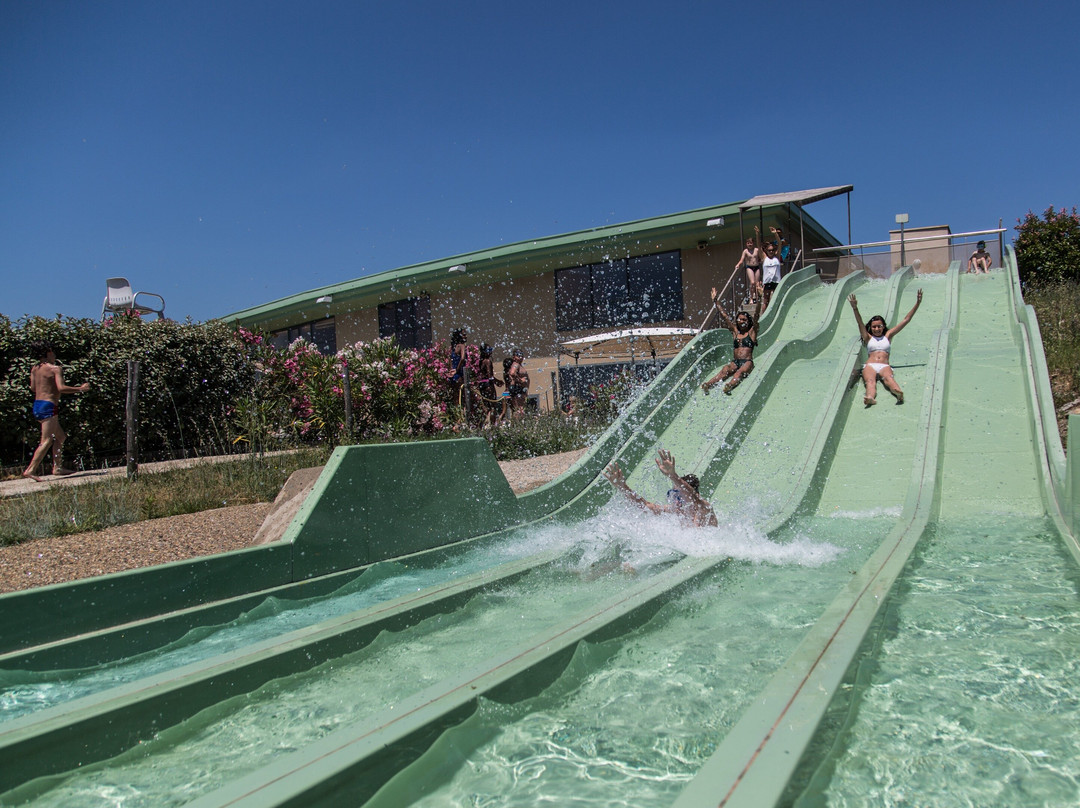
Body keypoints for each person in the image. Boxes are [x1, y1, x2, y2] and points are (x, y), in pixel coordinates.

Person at [22, 341, 90, 481]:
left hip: (37, 405)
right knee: (46, 440)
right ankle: (31, 470)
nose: (55, 355)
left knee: (60, 437)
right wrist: (80, 388)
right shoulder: (55, 369)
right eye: (53, 352)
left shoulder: (35, 368)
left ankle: (57, 467)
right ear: (48, 353)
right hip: (49, 406)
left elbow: (33, 388)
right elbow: (61, 388)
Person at [603, 449, 718, 528]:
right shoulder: (677, 511)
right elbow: (646, 506)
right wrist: (623, 487)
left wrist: (673, 476)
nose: (676, 500)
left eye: (679, 495)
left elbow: (693, 497)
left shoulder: (704, 508)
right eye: (673, 494)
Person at [849, 289, 923, 406]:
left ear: (883, 327)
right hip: (870, 365)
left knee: (889, 379)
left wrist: (917, 303)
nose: (877, 329)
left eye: (879, 326)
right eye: (874, 327)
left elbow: (906, 320)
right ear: (871, 328)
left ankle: (898, 393)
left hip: (884, 365)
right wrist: (855, 308)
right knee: (870, 382)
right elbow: (860, 323)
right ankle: (870, 397)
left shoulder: (888, 336)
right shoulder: (868, 337)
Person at [702, 288, 762, 395]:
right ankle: (708, 384)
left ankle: (730, 385)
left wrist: (760, 298)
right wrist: (716, 301)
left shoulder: (752, 332)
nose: (741, 321)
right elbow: (725, 316)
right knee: (725, 369)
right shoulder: (735, 332)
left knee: (740, 372)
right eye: (739, 319)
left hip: (747, 362)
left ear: (748, 321)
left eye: (744, 319)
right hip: (736, 361)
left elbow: (756, 316)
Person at [475, 343, 503, 428]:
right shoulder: (488, 361)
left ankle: (480, 425)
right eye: (488, 350)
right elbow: (490, 376)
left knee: (486, 408)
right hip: (488, 386)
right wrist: (498, 382)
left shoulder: (480, 361)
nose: (490, 352)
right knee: (493, 407)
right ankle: (493, 427)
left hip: (482, 386)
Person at [736, 228, 764, 303]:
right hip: (749, 267)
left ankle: (758, 298)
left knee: (757, 283)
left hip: (757, 267)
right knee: (752, 282)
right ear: (746, 244)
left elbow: (761, 257)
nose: (750, 244)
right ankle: (751, 297)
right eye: (748, 243)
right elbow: (742, 259)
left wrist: (761, 260)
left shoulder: (757, 250)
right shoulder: (745, 251)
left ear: (753, 243)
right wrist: (738, 264)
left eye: (751, 243)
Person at [760, 242, 782, 312]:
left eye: (772, 250)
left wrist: (775, 233)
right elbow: (758, 245)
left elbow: (780, 244)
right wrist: (757, 234)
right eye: (769, 250)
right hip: (767, 282)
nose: (771, 251)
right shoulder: (764, 258)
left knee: (777, 300)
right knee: (766, 301)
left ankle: (777, 313)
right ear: (766, 251)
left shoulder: (777, 257)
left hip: (777, 282)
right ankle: (763, 317)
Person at [508, 348, 530, 415]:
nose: (521, 357)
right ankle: (518, 425)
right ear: (514, 357)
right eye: (518, 355)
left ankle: (518, 424)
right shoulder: (516, 364)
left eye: (521, 355)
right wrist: (520, 380)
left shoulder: (519, 365)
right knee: (519, 410)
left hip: (520, 390)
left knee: (520, 410)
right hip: (518, 389)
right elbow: (512, 373)